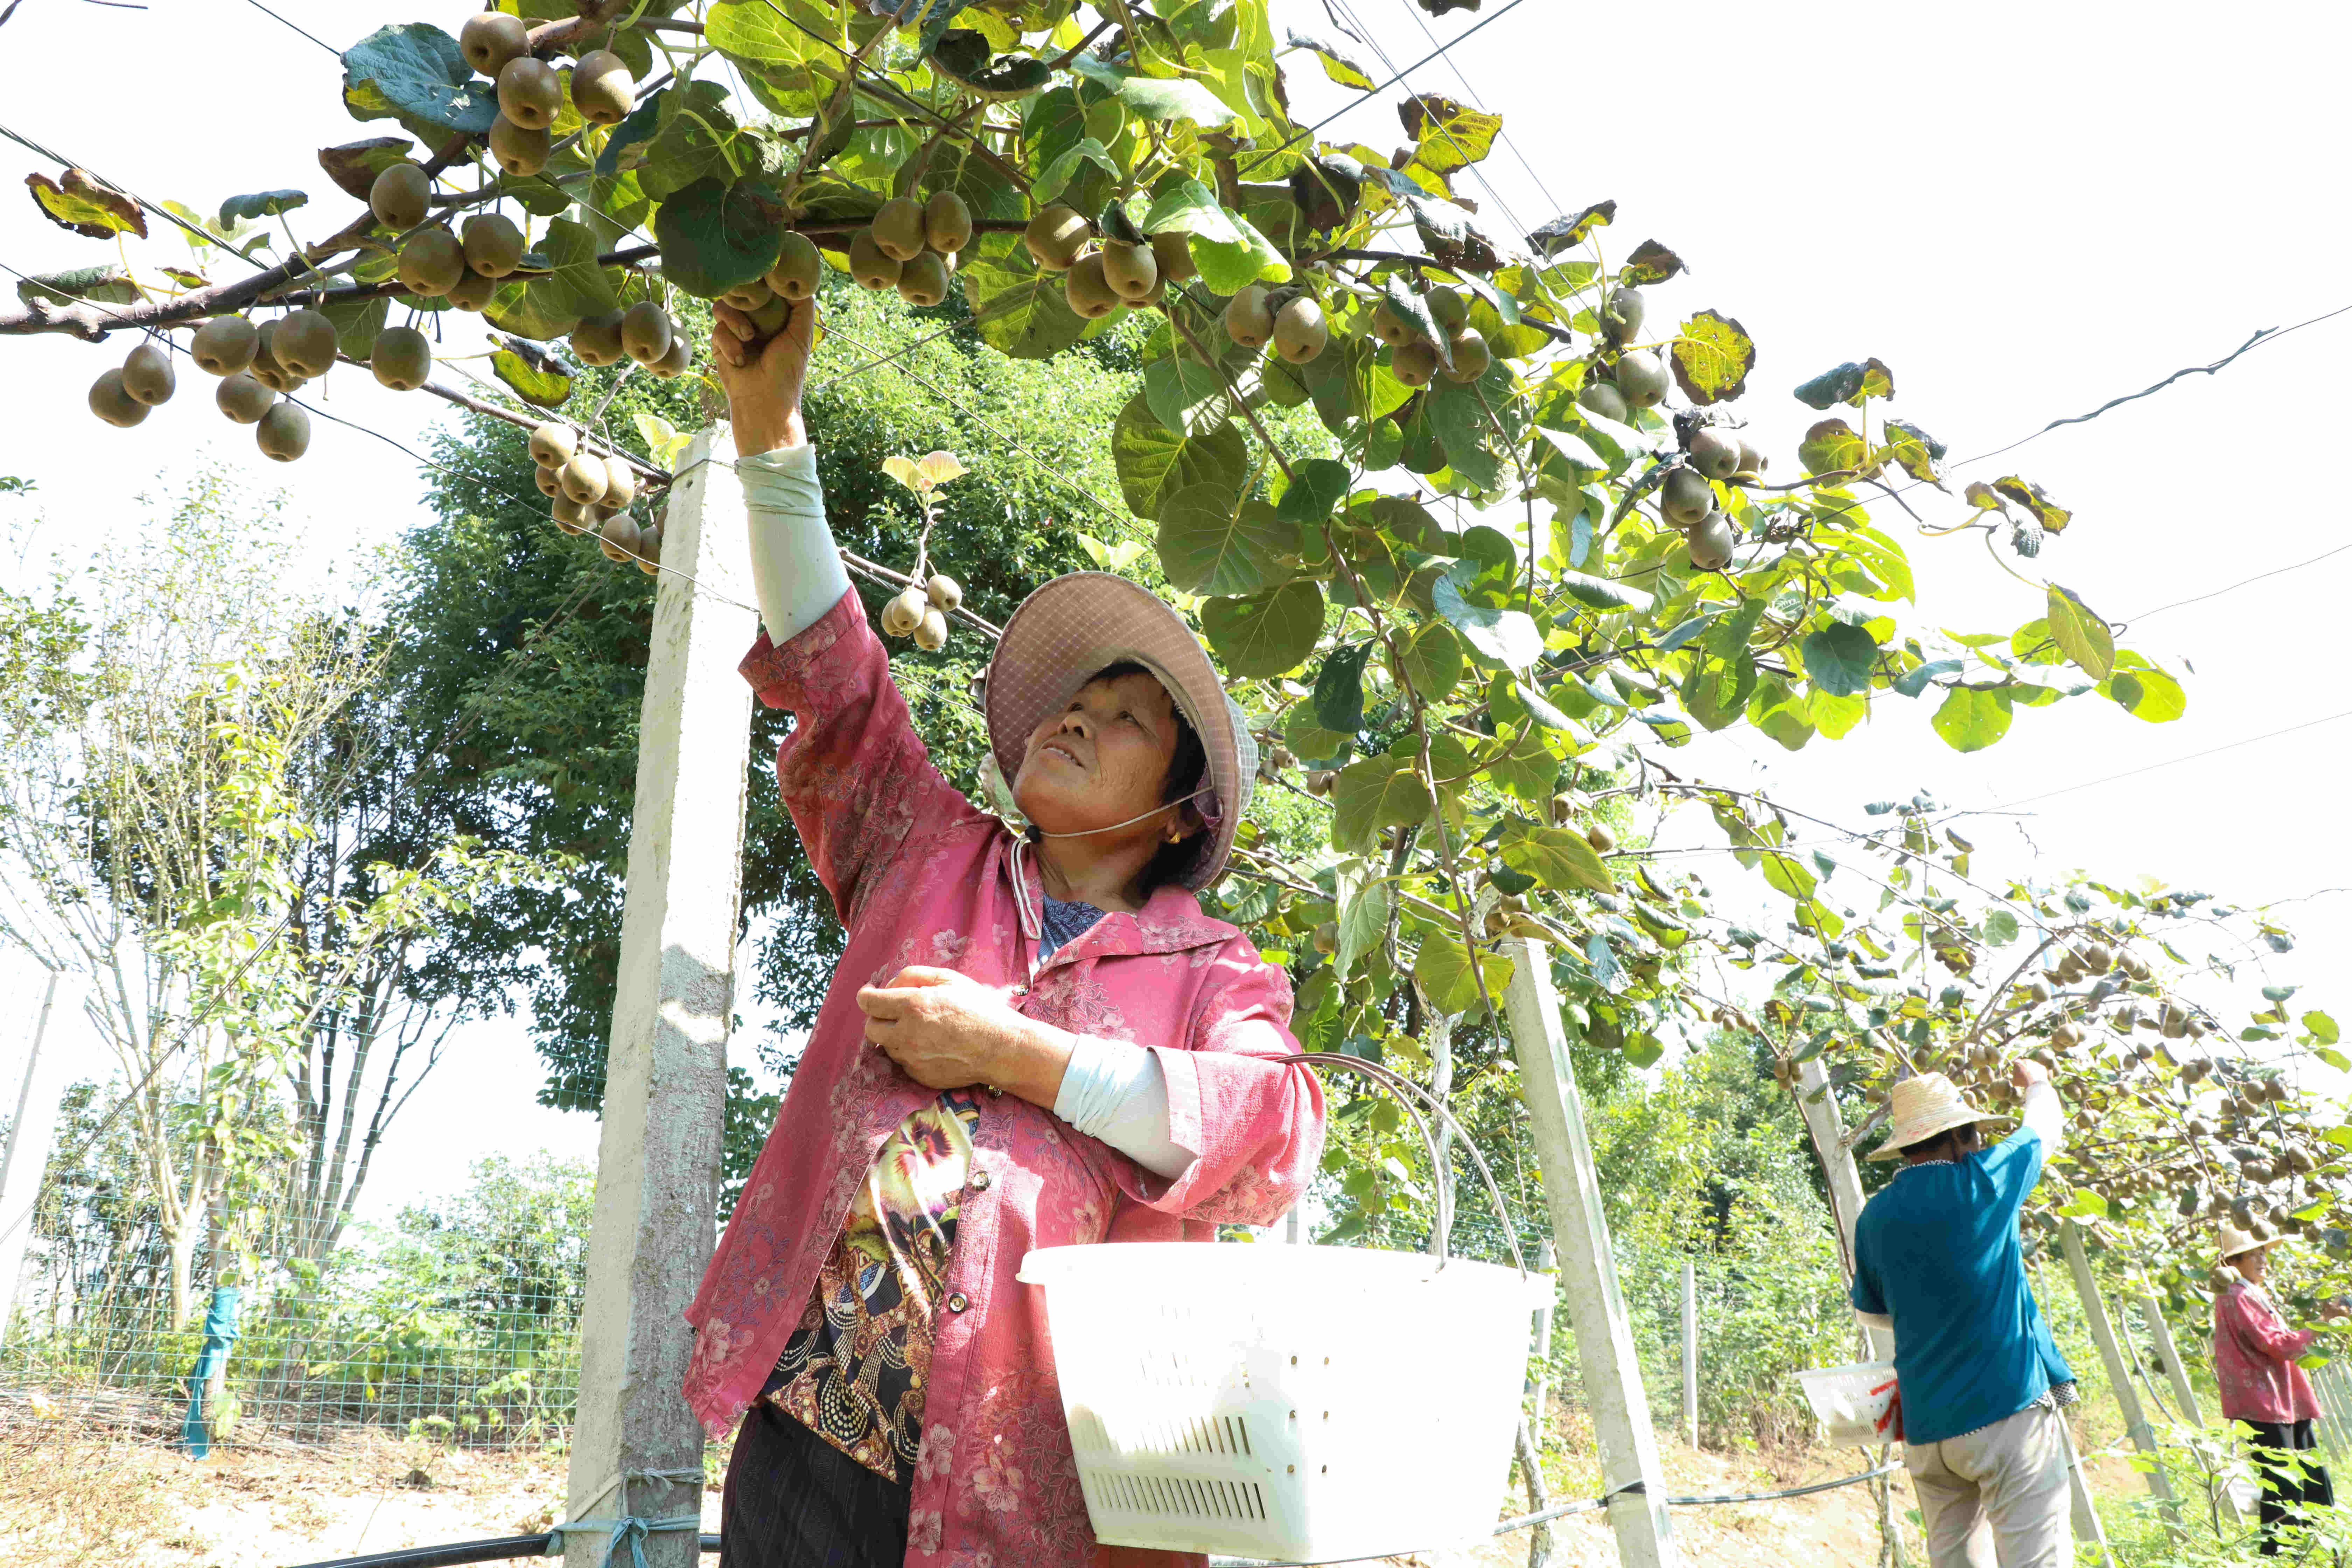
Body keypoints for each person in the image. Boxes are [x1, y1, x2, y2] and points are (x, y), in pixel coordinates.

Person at [680, 297, 1327, 1568]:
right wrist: (770, 427)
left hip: (1045, 1486)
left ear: (1175, 808)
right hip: (821, 1418)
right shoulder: (924, 849)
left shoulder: (1211, 972)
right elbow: (836, 675)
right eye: (1075, 701)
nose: (1076, 720)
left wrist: (1013, 1054)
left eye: (1125, 719)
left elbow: (1272, 1133)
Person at [1851, 1060, 2077, 1568]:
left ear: (1908, 1145)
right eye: (1973, 1135)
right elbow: (2043, 1129)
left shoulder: (1876, 1216)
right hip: (2005, 1411)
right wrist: (2037, 1082)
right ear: (1958, 1136)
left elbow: (1875, 1314)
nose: (1977, 1145)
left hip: (1930, 1429)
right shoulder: (1983, 1183)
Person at [2213, 1223, 2342, 1555]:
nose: (2262, 1259)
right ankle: (2280, 1557)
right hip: (2264, 1403)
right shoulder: (2238, 1296)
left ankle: (2318, 1549)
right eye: (2253, 1254)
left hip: (2280, 1400)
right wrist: (2321, 1325)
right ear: (2234, 1262)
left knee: (2311, 1474)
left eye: (2262, 1252)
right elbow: (2276, 1345)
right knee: (2285, 1485)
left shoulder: (2251, 1292)